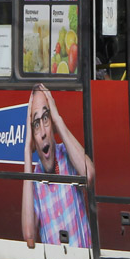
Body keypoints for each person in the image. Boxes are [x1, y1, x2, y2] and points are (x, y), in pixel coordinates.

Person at [21, 83, 93, 249]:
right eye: (36, 124)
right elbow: (29, 235)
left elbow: (89, 175)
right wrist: (26, 149)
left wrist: (58, 120)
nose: (43, 132)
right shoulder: (35, 178)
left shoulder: (68, 155)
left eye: (46, 118)